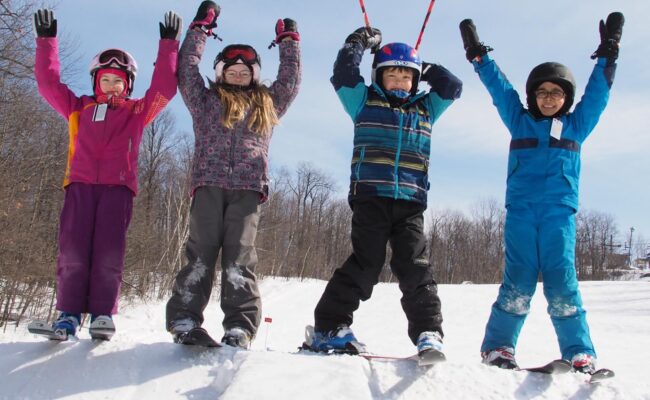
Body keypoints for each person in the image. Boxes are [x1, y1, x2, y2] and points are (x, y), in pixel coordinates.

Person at [459, 12, 624, 373]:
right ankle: (498, 347)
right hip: (520, 212)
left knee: (562, 283)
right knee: (517, 281)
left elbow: (599, 94)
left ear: (567, 98)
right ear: (533, 95)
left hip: (558, 214)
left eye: (557, 93)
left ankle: (579, 351)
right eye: (542, 92)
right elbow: (500, 89)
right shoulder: (520, 122)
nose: (549, 99)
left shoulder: (575, 127)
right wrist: (478, 57)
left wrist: (609, 54)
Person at [303, 27, 462, 357]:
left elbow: (453, 87)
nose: (401, 81)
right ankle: (328, 326)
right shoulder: (363, 101)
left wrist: (425, 67)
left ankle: (429, 332)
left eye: (407, 76)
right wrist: (358, 43)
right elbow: (343, 73)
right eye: (393, 74)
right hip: (371, 197)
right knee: (367, 263)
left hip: (410, 202)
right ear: (379, 76)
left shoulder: (426, 108)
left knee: (415, 266)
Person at [32, 9, 181, 340]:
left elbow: (164, 89)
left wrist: (168, 46)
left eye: (119, 80)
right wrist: (47, 42)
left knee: (109, 252)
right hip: (80, 187)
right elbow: (47, 83)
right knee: (73, 250)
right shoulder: (78, 108)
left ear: (127, 85)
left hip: (118, 189)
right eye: (105, 79)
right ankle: (68, 315)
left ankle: (102, 314)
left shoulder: (137, 113)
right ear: (96, 82)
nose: (112, 86)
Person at [165, 1, 301, 349]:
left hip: (248, 190)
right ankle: (185, 318)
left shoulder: (266, 105)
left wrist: (289, 42)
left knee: (240, 259)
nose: (238, 75)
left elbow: (290, 81)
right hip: (208, 186)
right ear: (220, 73)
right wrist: (200, 29)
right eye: (231, 70)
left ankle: (239, 326)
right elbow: (186, 70)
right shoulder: (205, 101)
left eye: (245, 71)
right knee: (200, 256)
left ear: (254, 75)